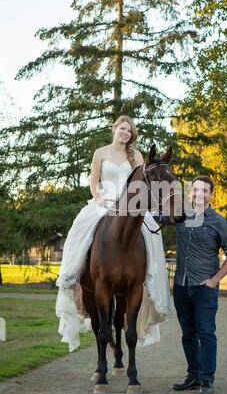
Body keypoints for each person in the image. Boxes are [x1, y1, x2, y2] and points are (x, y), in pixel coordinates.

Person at [55, 116, 172, 352]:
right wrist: (98, 198)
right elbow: (93, 181)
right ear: (114, 129)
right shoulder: (101, 152)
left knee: (152, 235)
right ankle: (74, 271)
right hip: (106, 200)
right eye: (122, 128)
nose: (125, 133)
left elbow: (142, 183)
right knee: (80, 231)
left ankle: (150, 276)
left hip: (131, 204)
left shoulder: (137, 156)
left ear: (132, 134)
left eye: (129, 130)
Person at [160, 175, 227, 394]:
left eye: (204, 190)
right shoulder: (181, 215)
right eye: (195, 190)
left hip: (205, 287)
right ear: (190, 193)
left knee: (206, 332)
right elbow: (155, 216)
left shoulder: (218, 221)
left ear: (211, 194)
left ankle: (207, 379)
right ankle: (193, 375)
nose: (199, 194)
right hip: (181, 286)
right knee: (187, 333)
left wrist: (214, 280)